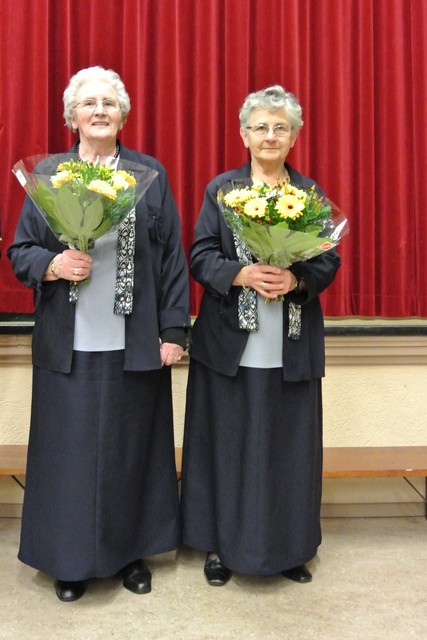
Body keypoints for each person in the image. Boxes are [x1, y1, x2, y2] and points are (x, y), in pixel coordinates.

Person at [7, 66, 190, 602]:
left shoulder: (147, 174)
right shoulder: (49, 175)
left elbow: (172, 259)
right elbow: (20, 251)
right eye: (89, 103)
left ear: (123, 115)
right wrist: (54, 264)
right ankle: (70, 560)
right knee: (69, 455)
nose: (100, 111)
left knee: (131, 452)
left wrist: (173, 330)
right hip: (69, 344)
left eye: (109, 102)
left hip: (135, 343)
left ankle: (130, 554)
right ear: (73, 116)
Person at [180, 85, 341, 586]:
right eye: (261, 127)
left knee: (288, 449)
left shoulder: (308, 194)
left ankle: (290, 548)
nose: (270, 136)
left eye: (280, 128)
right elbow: (201, 255)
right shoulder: (222, 190)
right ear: (244, 135)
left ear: (294, 137)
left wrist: (296, 279)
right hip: (228, 345)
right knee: (225, 446)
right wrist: (241, 274)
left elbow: (328, 259)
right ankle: (219, 546)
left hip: (290, 345)